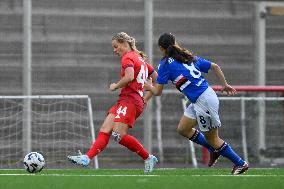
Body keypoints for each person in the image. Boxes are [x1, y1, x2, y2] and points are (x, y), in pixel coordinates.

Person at [144, 33, 249, 175]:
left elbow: (157, 92)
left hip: (203, 101)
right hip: (203, 97)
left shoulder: (164, 65)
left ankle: (240, 163)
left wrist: (148, 85)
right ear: (175, 43)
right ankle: (213, 149)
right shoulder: (187, 57)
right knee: (183, 129)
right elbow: (215, 66)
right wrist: (224, 84)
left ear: (161, 48)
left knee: (213, 139)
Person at [67, 32, 158, 173]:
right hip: (128, 100)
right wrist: (146, 96)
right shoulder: (140, 58)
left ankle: (148, 157)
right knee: (105, 129)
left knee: (118, 135)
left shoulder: (127, 57)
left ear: (124, 43)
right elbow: (156, 78)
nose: (115, 50)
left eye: (116, 47)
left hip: (131, 101)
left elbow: (129, 76)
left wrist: (116, 85)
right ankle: (87, 158)